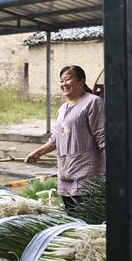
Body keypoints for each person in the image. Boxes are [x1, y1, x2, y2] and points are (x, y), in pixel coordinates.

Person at [25, 65, 106, 213]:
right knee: (73, 220)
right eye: (61, 81)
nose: (64, 84)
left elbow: (103, 137)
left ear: (82, 81)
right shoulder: (62, 109)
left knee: (87, 222)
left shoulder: (93, 102)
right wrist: (37, 153)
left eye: (67, 79)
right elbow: (55, 139)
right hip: (65, 176)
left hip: (86, 177)